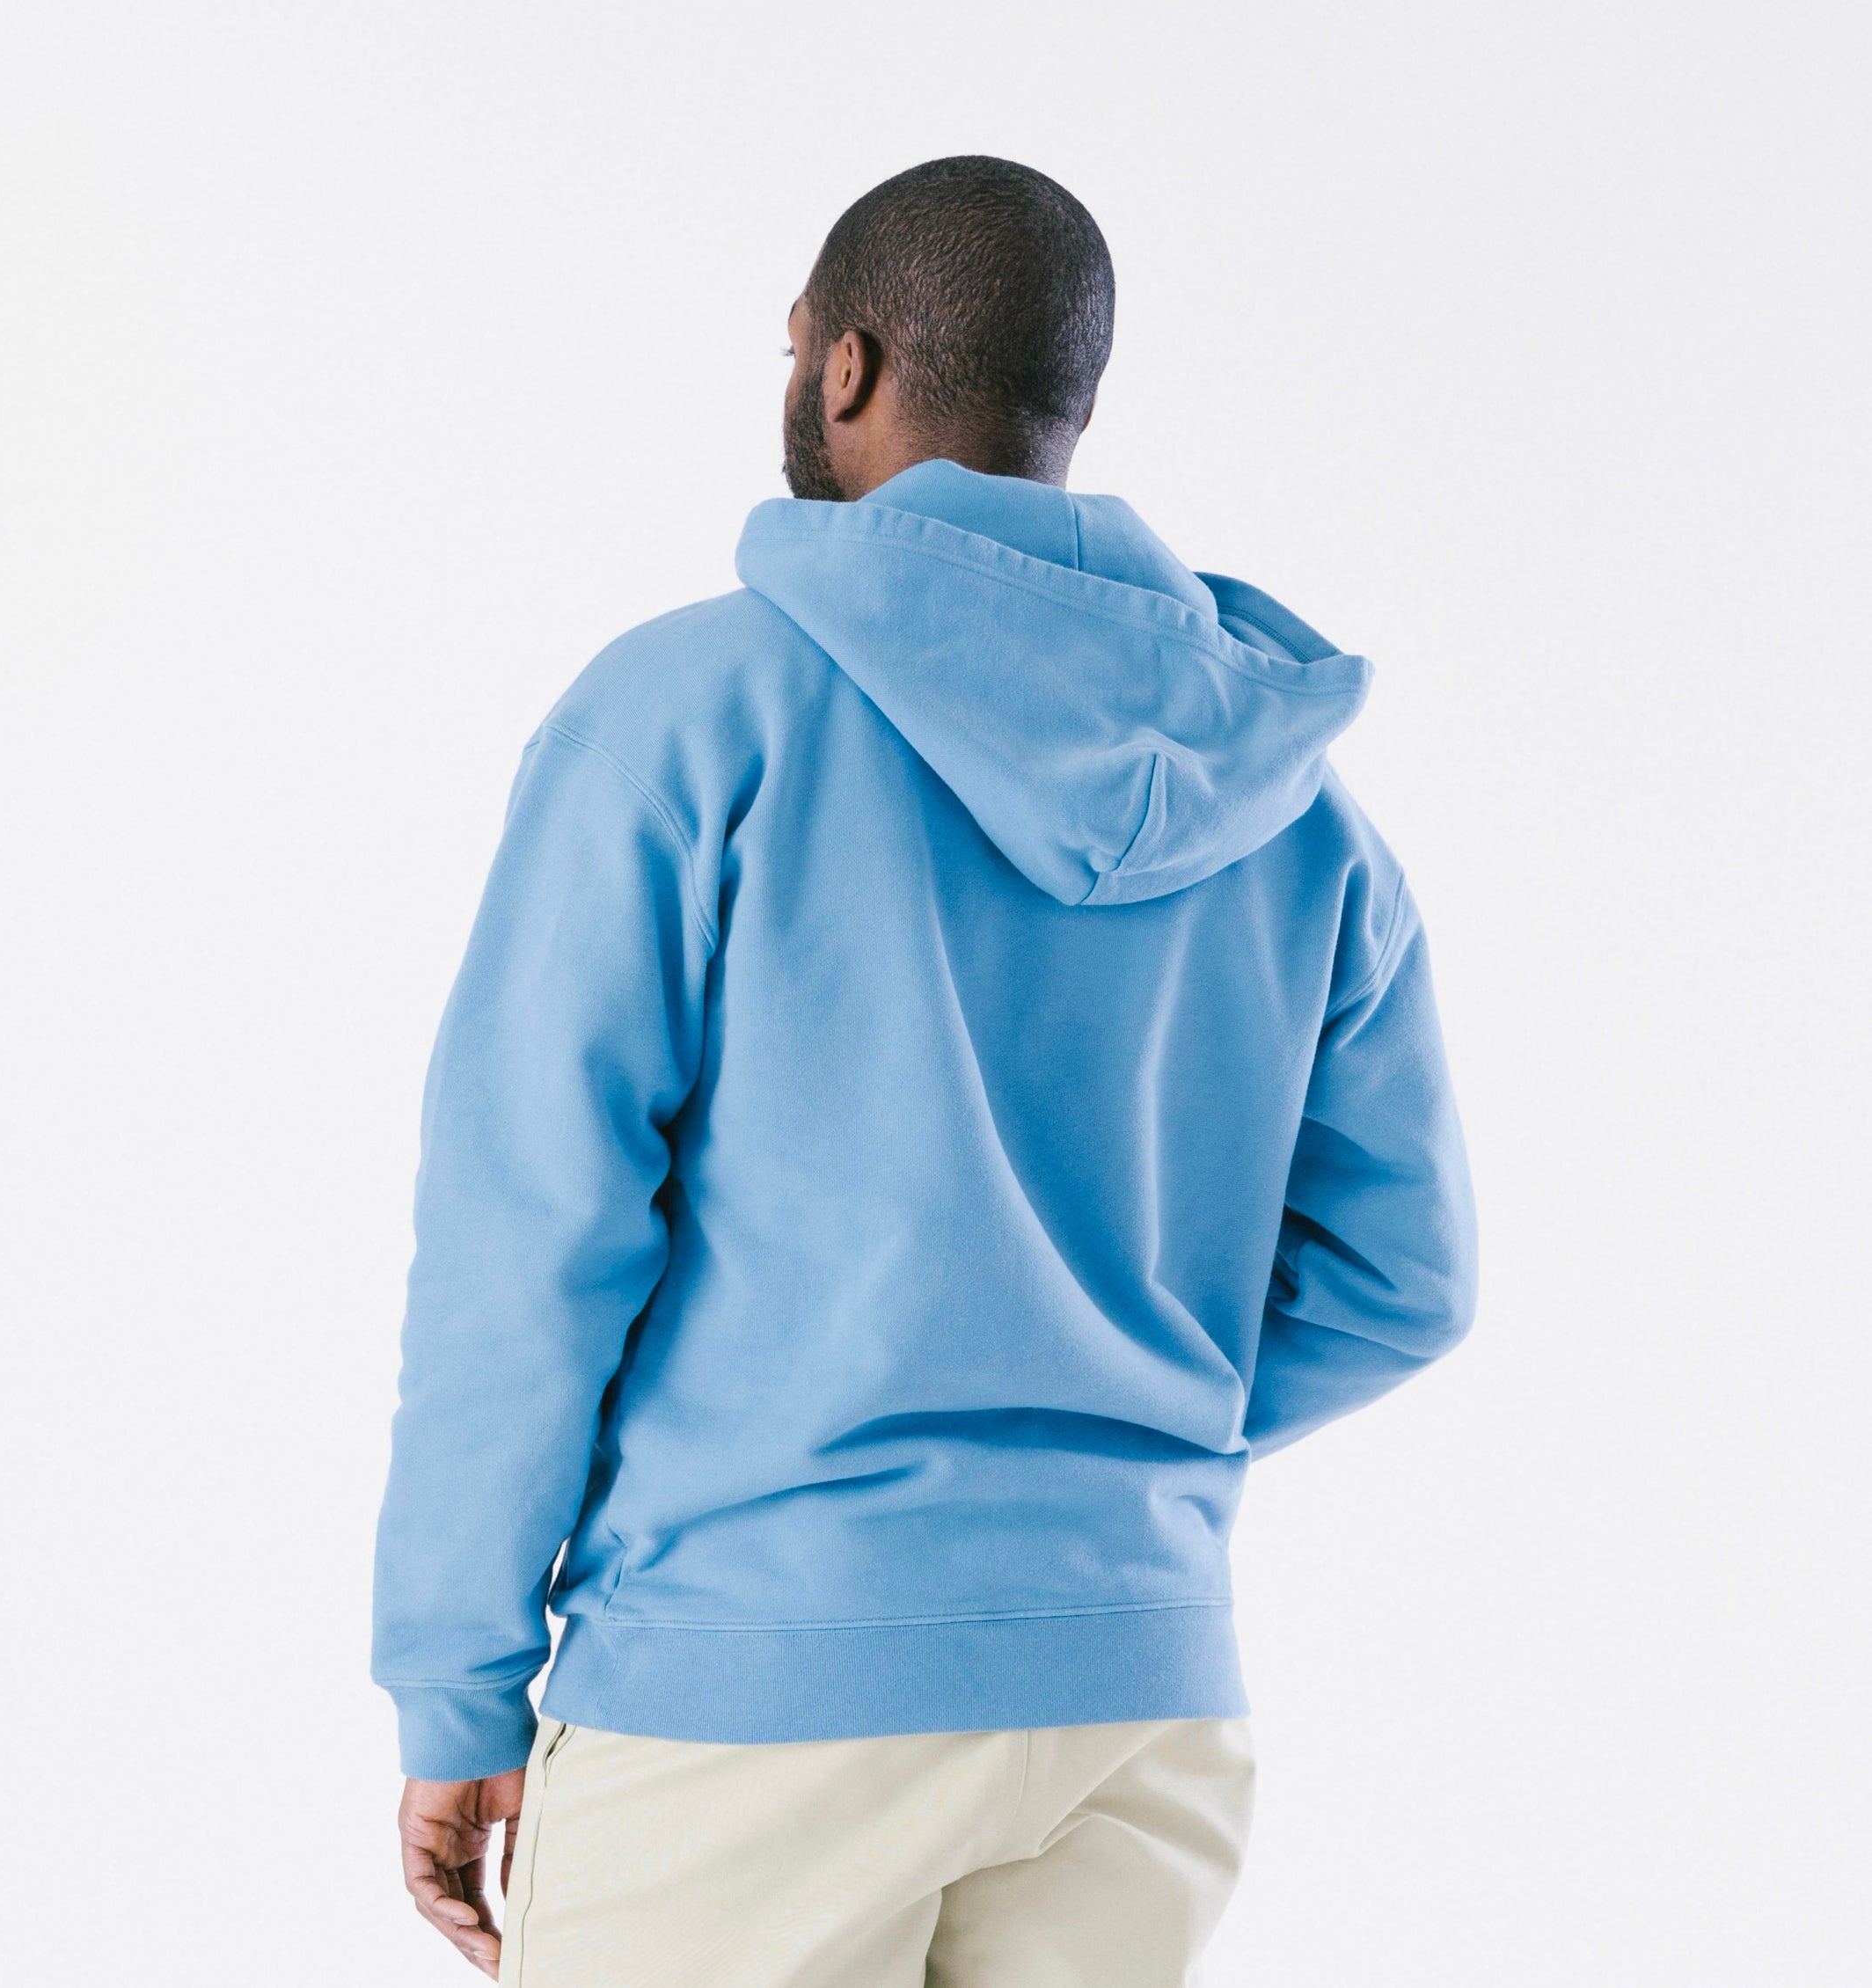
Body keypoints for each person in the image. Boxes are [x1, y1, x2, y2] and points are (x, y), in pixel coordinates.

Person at [373, 154, 1477, 1986]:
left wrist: (455, 1678)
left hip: (747, 1692)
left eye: (794, 347)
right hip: (1137, 1709)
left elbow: (529, 1235)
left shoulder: (684, 716)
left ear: (845, 366)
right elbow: (1403, 1279)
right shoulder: (1294, 812)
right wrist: (1101, 1450)